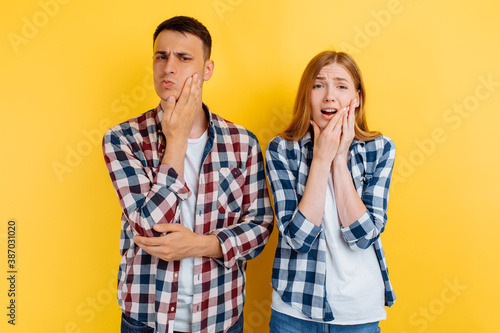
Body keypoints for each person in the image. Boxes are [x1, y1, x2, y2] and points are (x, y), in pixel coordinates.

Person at [102, 16, 273, 333]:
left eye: (183, 58)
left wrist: (200, 245)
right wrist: (177, 140)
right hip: (146, 318)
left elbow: (260, 227)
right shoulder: (122, 138)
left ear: (207, 69)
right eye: (161, 56)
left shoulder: (243, 142)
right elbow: (149, 228)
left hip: (220, 316)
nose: (169, 67)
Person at [265, 51, 396, 333]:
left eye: (341, 85)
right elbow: (298, 238)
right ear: (306, 95)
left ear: (357, 97)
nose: (329, 96)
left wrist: (339, 159)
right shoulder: (281, 150)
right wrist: (321, 158)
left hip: (358, 312)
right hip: (294, 309)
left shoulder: (381, 148)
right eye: (318, 85)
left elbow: (362, 236)